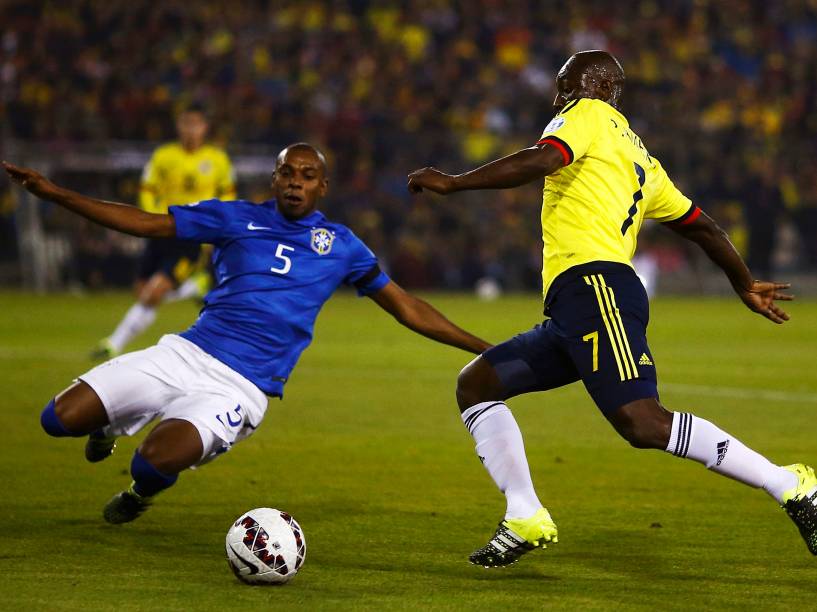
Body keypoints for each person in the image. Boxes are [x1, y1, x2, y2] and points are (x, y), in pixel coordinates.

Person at [407, 50, 816, 567]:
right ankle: (524, 512)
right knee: (477, 385)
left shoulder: (589, 114)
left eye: (566, 85)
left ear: (599, 86)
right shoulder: (644, 161)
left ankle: (790, 484)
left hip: (596, 286)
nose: (558, 97)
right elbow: (703, 227)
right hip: (571, 307)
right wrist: (744, 282)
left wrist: (454, 183)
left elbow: (542, 159)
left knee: (643, 423)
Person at [3, 143, 491, 524]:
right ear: (273, 179)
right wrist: (58, 195)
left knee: (151, 464)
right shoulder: (236, 217)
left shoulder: (342, 246)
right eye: (287, 173)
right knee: (56, 419)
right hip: (186, 353)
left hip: (241, 387)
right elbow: (148, 225)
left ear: (324, 186)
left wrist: (488, 349)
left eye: (307, 175)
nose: (295, 183)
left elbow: (407, 308)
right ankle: (107, 427)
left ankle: (138, 496)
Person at [92, 103, 236, 360]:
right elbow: (147, 190)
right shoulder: (163, 156)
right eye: (186, 123)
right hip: (161, 232)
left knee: (153, 294)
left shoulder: (218, 160)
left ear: (205, 127)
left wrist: (216, 230)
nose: (191, 130)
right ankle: (194, 286)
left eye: (196, 124)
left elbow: (227, 197)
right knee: (142, 293)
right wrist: (152, 221)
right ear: (178, 126)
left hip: (191, 237)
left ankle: (112, 345)